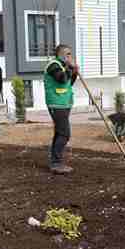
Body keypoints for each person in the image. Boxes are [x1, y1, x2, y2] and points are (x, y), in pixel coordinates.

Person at [44, 44, 79, 175]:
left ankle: (55, 161)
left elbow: (68, 82)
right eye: (69, 54)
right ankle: (56, 163)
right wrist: (70, 67)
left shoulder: (63, 66)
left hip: (64, 103)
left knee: (59, 133)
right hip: (56, 104)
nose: (71, 56)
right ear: (62, 54)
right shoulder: (53, 65)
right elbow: (61, 78)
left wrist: (74, 72)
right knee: (65, 134)